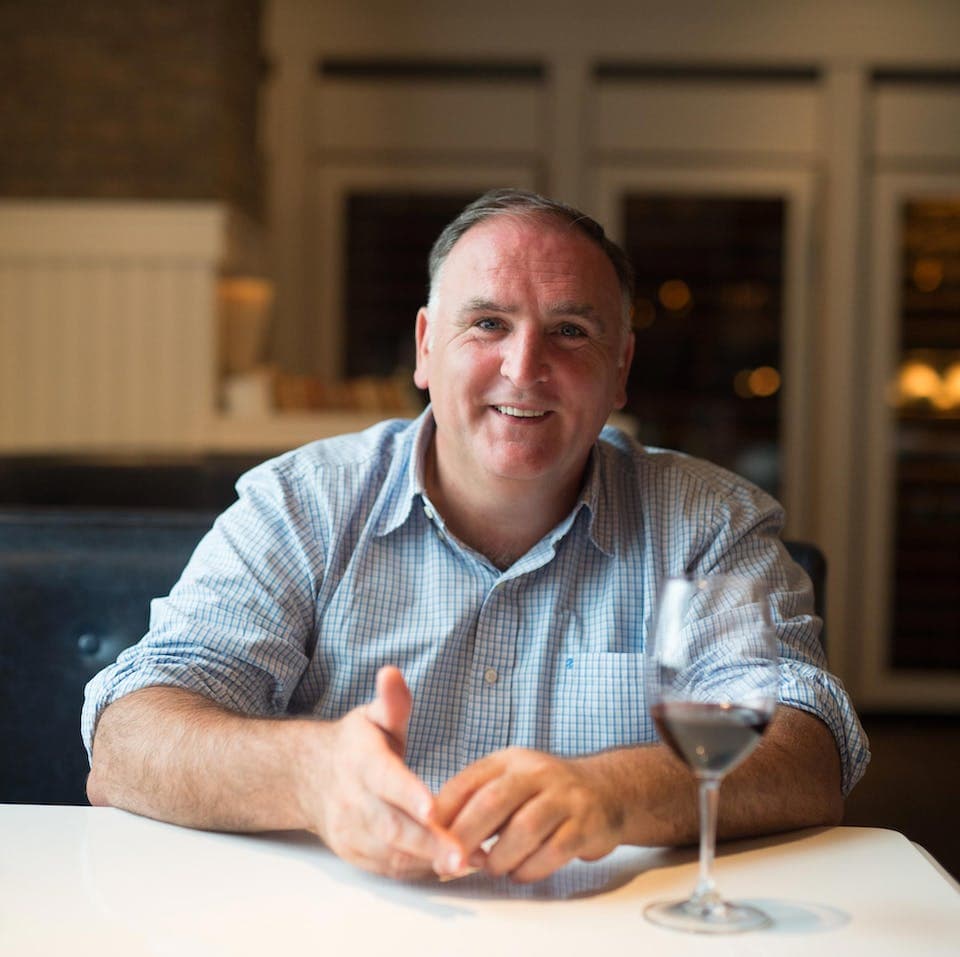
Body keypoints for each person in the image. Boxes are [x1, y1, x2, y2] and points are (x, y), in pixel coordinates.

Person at [83, 189, 869, 884]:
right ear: (426, 346)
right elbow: (129, 741)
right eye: (487, 322)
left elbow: (808, 754)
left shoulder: (711, 523)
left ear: (621, 366)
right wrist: (309, 775)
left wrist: (615, 791)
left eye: (569, 330)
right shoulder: (302, 504)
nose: (523, 368)